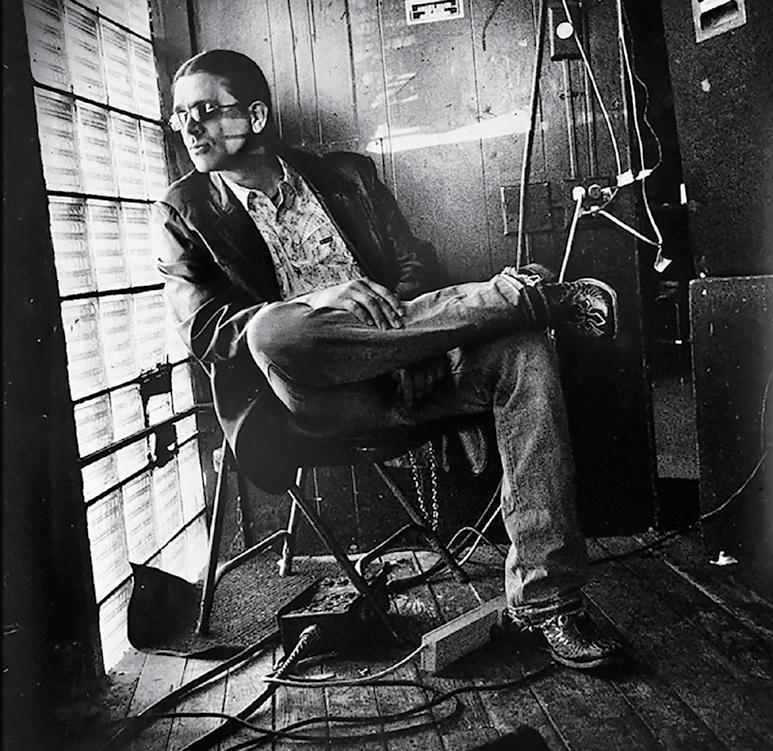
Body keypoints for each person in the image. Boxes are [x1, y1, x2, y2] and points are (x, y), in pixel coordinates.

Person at [155, 49, 622, 670]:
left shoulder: (345, 177)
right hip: (315, 396)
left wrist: (408, 343)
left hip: (416, 371)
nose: (189, 127)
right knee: (270, 331)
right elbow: (208, 331)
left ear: (257, 116)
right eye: (181, 115)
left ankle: (548, 602)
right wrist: (322, 301)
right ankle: (526, 296)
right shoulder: (183, 211)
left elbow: (414, 261)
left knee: (525, 352)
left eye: (207, 111)